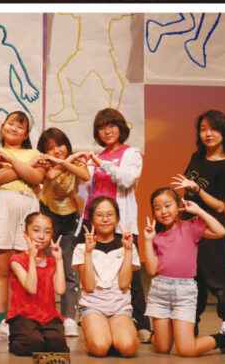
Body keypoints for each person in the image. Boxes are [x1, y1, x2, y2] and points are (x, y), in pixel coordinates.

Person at [173, 110, 225, 351]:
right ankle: (191, 326)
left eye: (213, 128)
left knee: (218, 281)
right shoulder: (197, 157)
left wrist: (197, 190)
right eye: (203, 129)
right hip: (188, 227)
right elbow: (187, 188)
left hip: (211, 229)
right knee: (193, 281)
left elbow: (220, 206)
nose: (207, 134)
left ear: (224, 133)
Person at [82, 107, 149, 340]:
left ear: (121, 128)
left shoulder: (131, 153)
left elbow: (128, 179)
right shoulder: (97, 156)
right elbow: (88, 187)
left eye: (111, 125)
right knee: (93, 270)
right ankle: (95, 316)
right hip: (95, 222)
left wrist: (102, 163)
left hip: (121, 224)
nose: (107, 131)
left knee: (131, 274)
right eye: (101, 127)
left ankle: (141, 322)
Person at [142, 187, 225, 356]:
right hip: (160, 293)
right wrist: (147, 240)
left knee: (186, 349)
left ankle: (224, 338)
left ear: (178, 206)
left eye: (168, 205)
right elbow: (152, 269)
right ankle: (163, 334)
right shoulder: (156, 237)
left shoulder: (190, 227)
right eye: (157, 208)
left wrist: (198, 211)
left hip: (184, 293)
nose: (163, 211)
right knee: (162, 349)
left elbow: (221, 231)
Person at [0, 111, 45, 339]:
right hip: (1, 205)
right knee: (0, 268)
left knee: (24, 265)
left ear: (26, 134)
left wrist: (11, 162)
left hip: (28, 206)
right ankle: (1, 321)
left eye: (20, 126)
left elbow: (37, 178)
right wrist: (25, 168)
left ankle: (20, 317)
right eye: (10, 124)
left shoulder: (35, 153)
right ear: (2, 126)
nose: (14, 128)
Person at [37, 127, 90, 337]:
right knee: (44, 269)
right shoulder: (46, 164)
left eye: (60, 145)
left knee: (70, 270)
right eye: (50, 148)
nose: (57, 150)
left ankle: (68, 318)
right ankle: (44, 315)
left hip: (69, 220)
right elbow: (50, 175)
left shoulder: (75, 163)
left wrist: (68, 161)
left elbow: (85, 175)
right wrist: (67, 161)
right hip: (47, 217)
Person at [73, 197, 139, 358]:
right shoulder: (81, 248)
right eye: (99, 215)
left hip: (120, 309)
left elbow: (124, 284)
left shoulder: (128, 245)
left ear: (117, 218)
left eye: (110, 215)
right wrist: (88, 253)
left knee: (128, 348)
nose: (105, 219)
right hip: (93, 308)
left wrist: (128, 251)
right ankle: (97, 335)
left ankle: (114, 334)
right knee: (100, 348)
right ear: (91, 220)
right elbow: (89, 286)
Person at [7, 213, 69, 355]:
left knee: (58, 344)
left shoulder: (52, 261)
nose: (41, 236)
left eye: (47, 232)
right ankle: (16, 341)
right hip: (23, 316)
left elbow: (60, 290)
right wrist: (32, 259)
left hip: (48, 316)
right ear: (26, 234)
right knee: (34, 343)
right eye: (36, 230)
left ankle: (43, 338)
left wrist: (59, 260)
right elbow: (31, 288)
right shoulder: (16, 260)